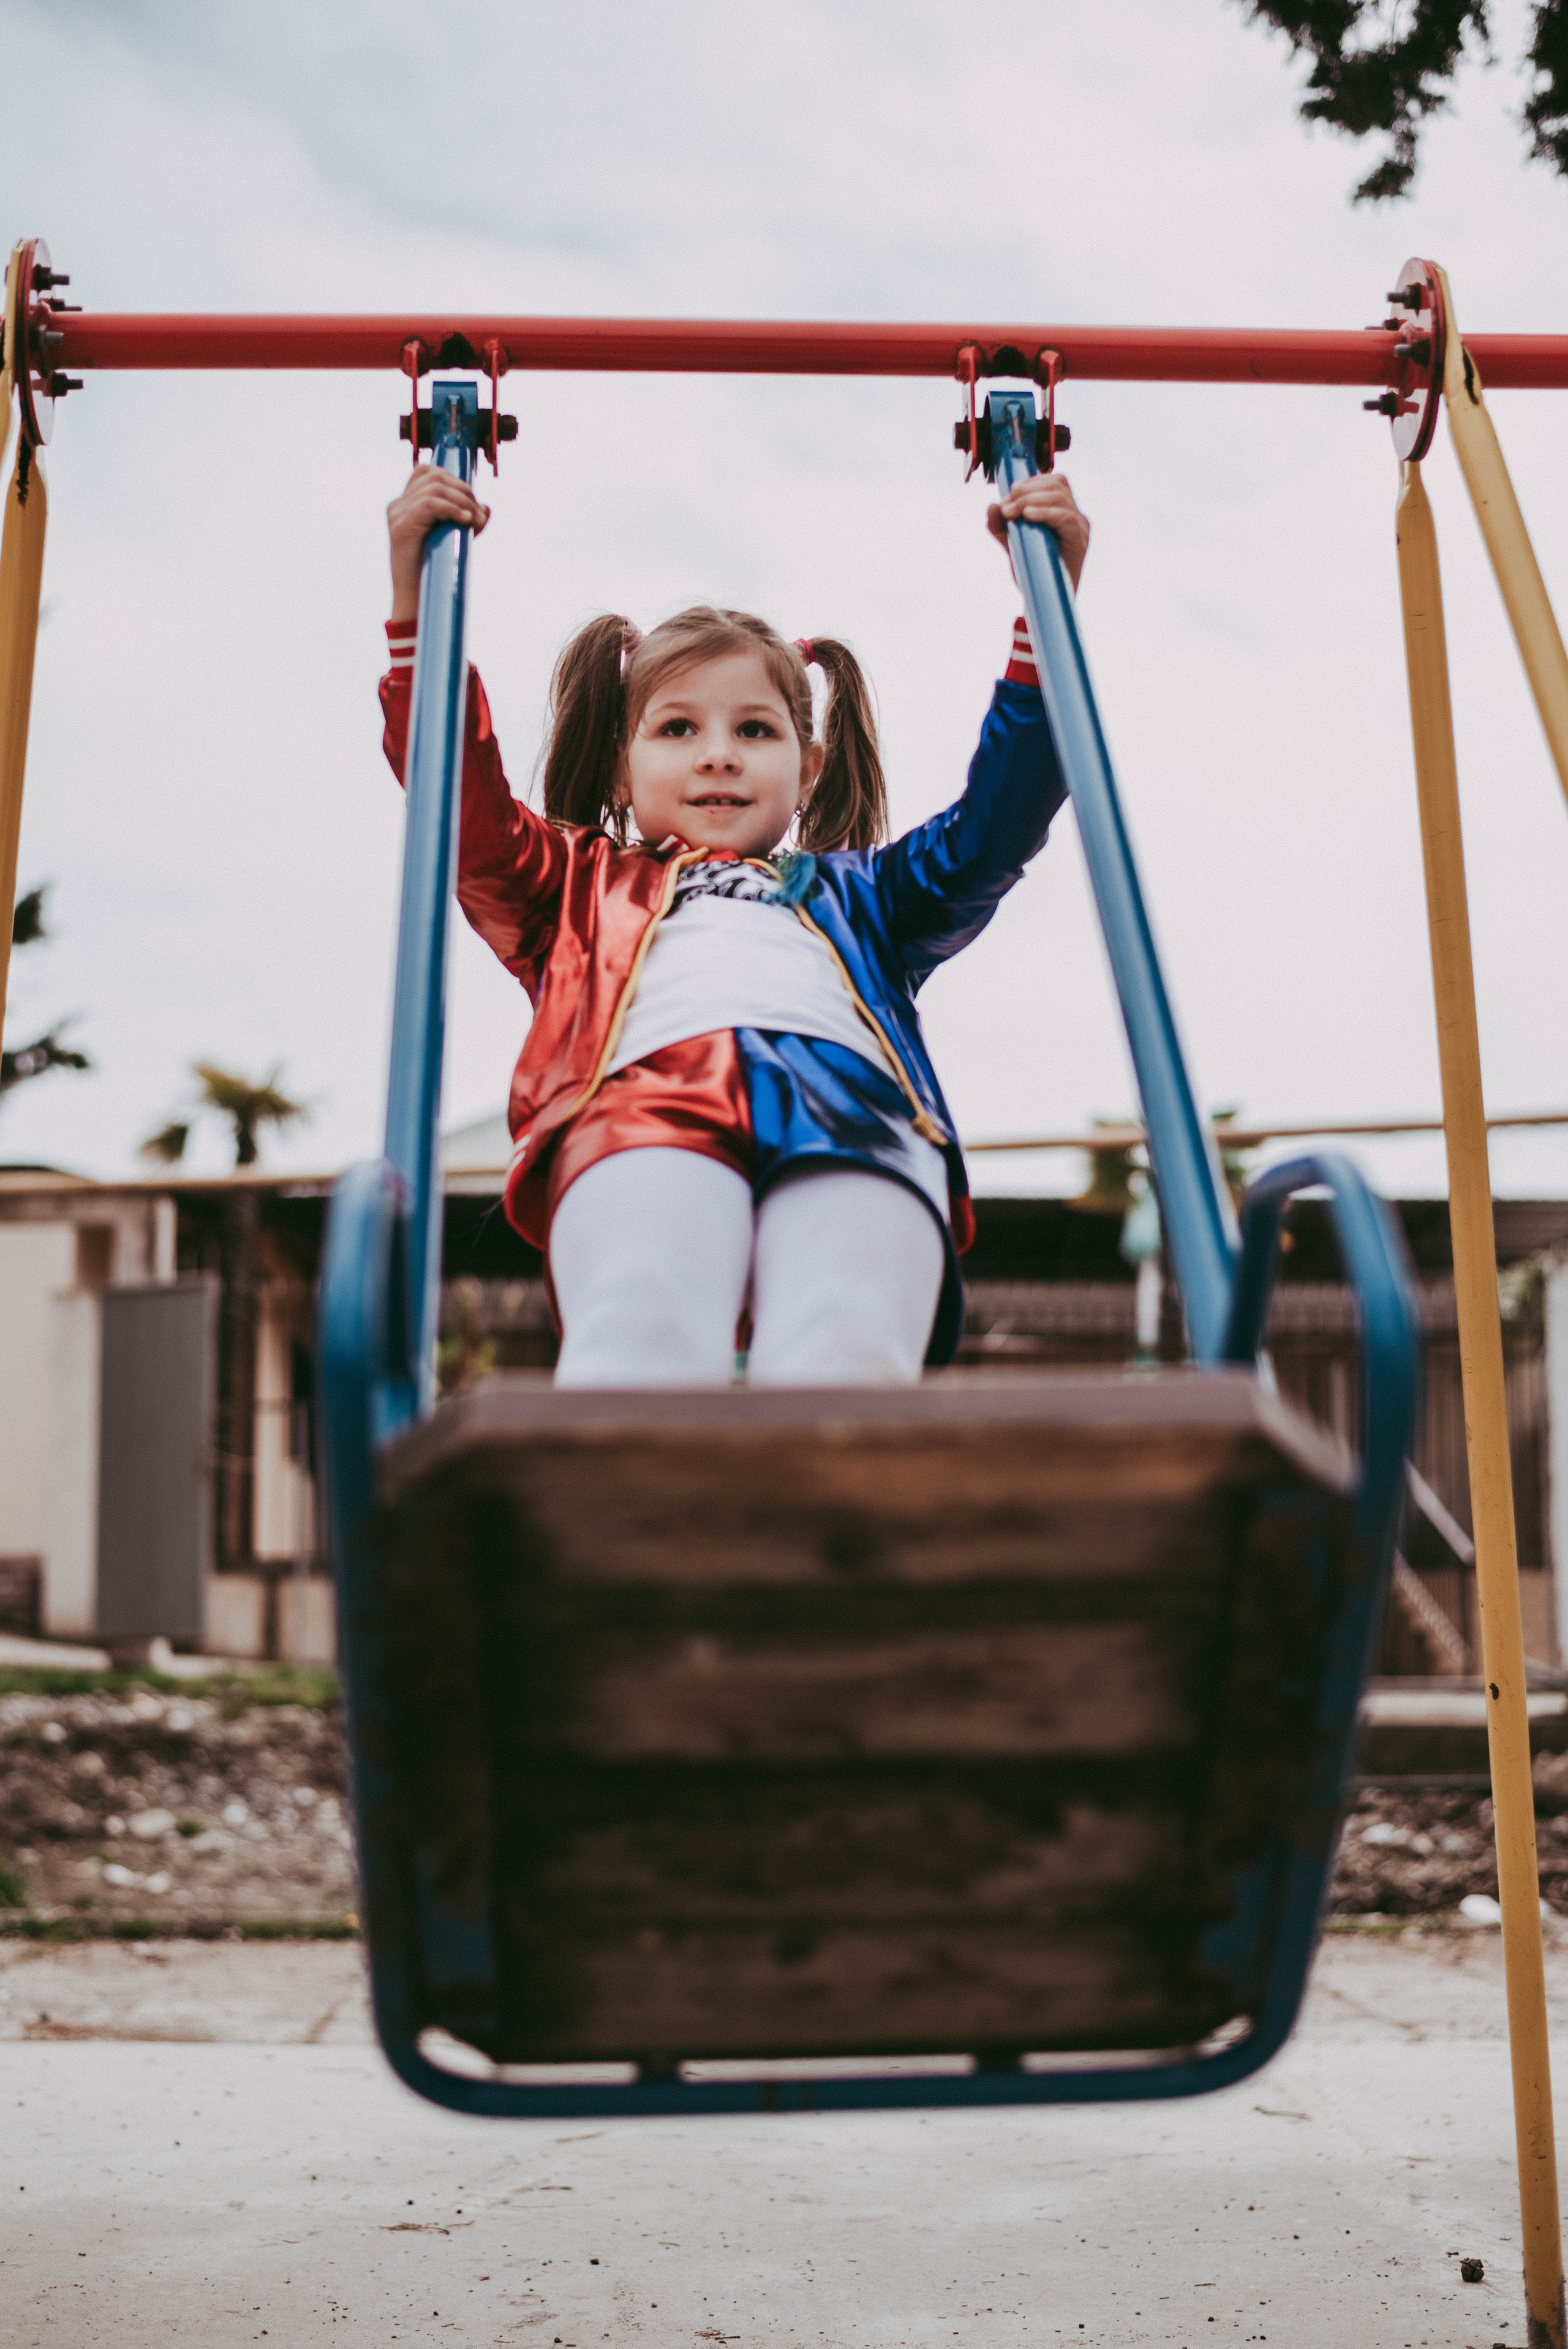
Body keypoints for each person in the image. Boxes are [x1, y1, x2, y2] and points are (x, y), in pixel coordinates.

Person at [379, 457, 1089, 1387]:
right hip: (640, 1103)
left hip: (854, 1107)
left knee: (845, 1353)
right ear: (622, 765)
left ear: (809, 766)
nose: (718, 755)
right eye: (677, 728)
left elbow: (997, 826)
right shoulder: (575, 887)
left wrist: (1047, 614)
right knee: (639, 1337)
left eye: (755, 729)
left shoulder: (864, 896)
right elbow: (460, 808)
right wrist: (419, 606)